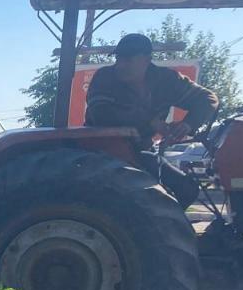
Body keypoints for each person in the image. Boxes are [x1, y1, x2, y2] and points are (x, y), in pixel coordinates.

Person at [85, 33, 218, 208]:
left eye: (128, 59)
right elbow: (101, 113)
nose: (121, 65)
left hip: (140, 151)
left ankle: (164, 231)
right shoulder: (105, 78)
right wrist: (149, 121)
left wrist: (188, 124)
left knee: (187, 189)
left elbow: (208, 99)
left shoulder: (166, 80)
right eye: (119, 58)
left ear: (147, 59)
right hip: (104, 151)